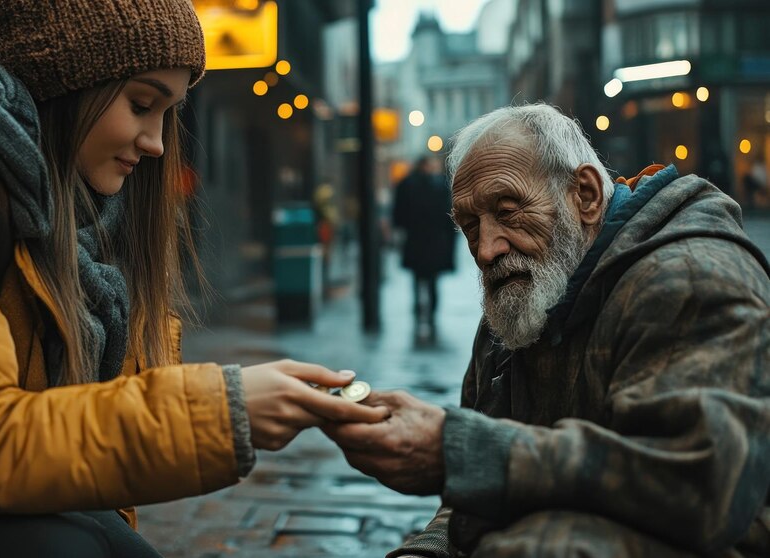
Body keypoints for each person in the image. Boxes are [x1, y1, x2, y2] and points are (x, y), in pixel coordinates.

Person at [0, 2, 389, 557]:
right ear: (62, 82)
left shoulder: (77, 217)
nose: (155, 143)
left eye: (168, 114)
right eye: (141, 105)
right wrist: (223, 413)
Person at [324, 104, 770, 557]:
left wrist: (455, 450)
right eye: (470, 226)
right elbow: (471, 505)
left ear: (586, 196)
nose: (486, 249)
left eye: (508, 210)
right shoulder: (521, 302)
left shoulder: (689, 279)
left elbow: (699, 489)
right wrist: (426, 551)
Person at [392, 155, 457, 342]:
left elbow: (399, 216)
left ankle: (420, 311)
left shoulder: (407, 184)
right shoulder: (439, 185)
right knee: (432, 280)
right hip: (433, 242)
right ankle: (430, 314)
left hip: (417, 241)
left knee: (419, 278)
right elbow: (448, 215)